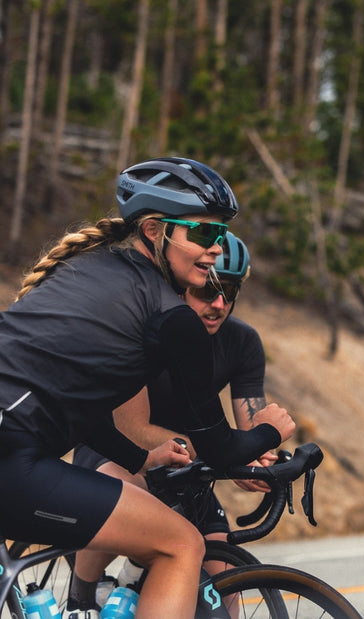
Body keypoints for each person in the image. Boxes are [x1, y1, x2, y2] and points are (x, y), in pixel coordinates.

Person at [0, 157, 296, 618]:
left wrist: (140, 458)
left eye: (220, 235)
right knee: (180, 544)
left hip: (15, 446)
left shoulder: (88, 272)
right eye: (203, 233)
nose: (216, 248)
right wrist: (270, 433)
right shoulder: (170, 318)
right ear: (155, 230)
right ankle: (84, 596)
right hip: (11, 457)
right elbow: (219, 448)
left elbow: (78, 405)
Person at [65, 232, 275, 614]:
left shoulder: (242, 341)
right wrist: (223, 449)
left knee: (225, 585)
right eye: (206, 292)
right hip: (118, 448)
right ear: (183, 287)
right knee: (127, 493)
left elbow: (246, 433)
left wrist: (262, 456)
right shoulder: (151, 331)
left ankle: (133, 580)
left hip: (188, 457)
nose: (218, 304)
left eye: (229, 292)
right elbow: (135, 429)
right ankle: (80, 595)